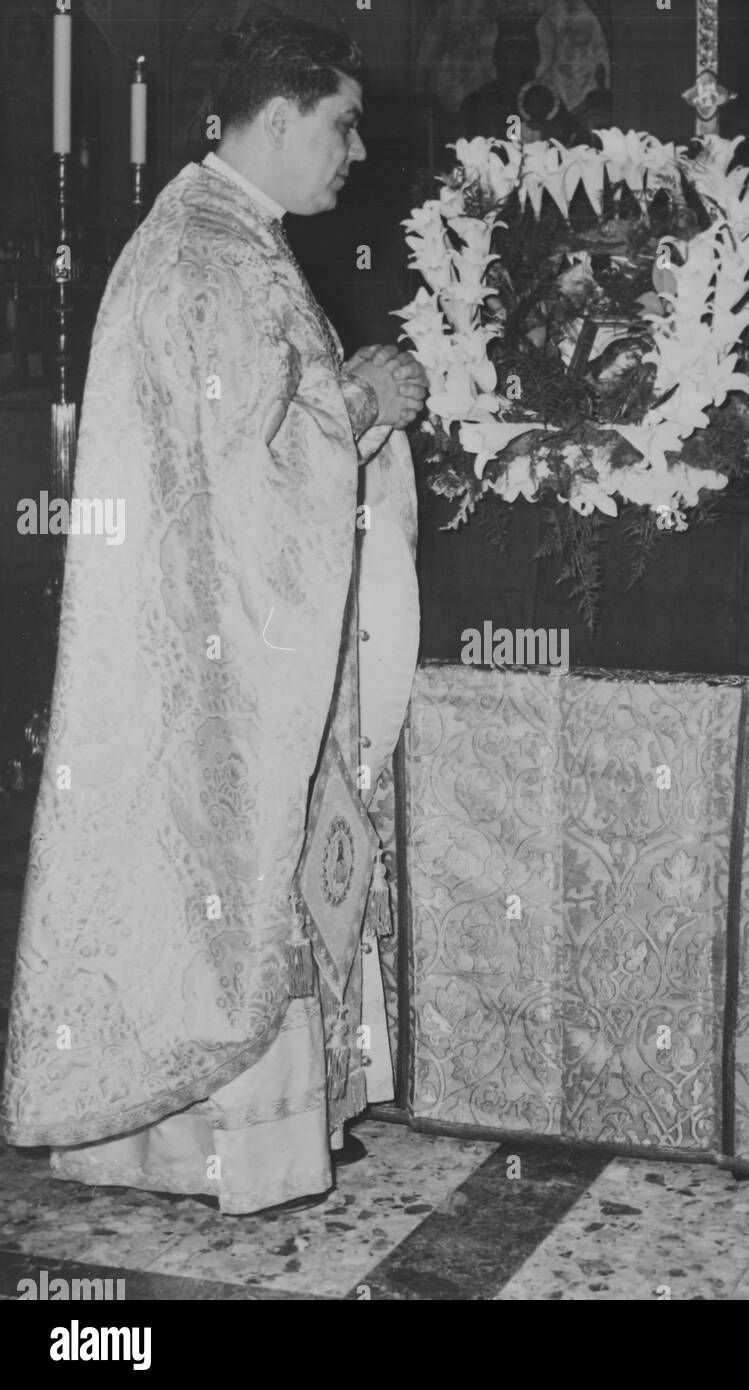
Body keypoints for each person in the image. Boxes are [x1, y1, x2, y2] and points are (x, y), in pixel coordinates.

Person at [0, 17, 426, 1214]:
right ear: (279, 118)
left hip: (219, 625)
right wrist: (361, 395)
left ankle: (223, 1135)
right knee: (219, 863)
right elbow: (251, 463)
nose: (354, 151)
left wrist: (345, 409)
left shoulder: (224, 236)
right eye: (341, 125)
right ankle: (218, 1143)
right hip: (215, 640)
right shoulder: (210, 252)